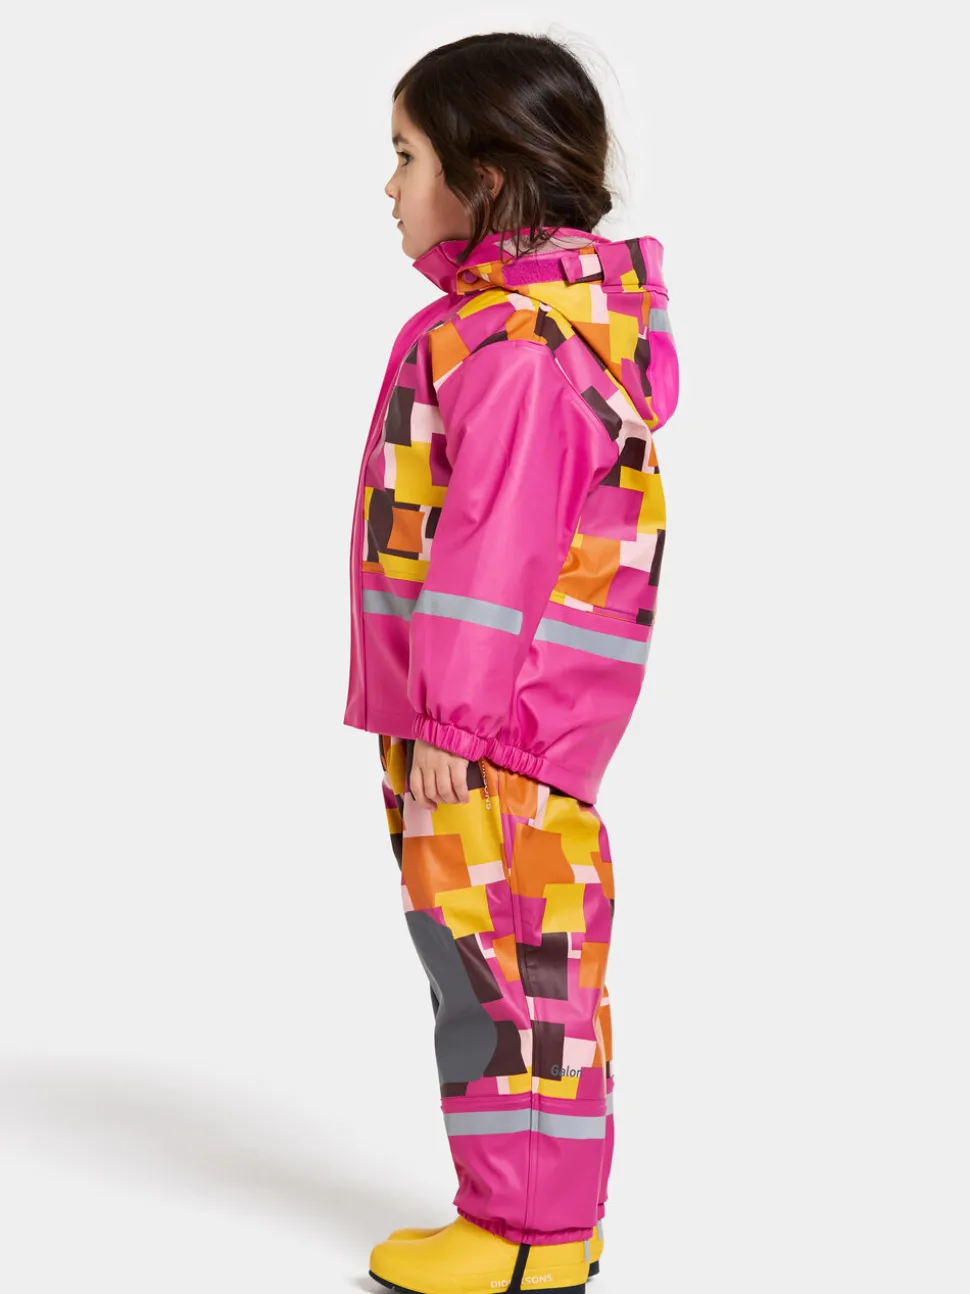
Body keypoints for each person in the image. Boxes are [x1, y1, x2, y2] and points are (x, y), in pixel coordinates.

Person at [344, 30, 680, 1294]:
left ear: (481, 179)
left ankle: (524, 1232)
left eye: (405, 155)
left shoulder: (515, 345)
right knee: (508, 961)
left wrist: (453, 718)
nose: (388, 186)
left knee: (508, 967)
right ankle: (539, 1220)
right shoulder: (503, 331)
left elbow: (497, 544)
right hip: (491, 732)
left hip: (488, 737)